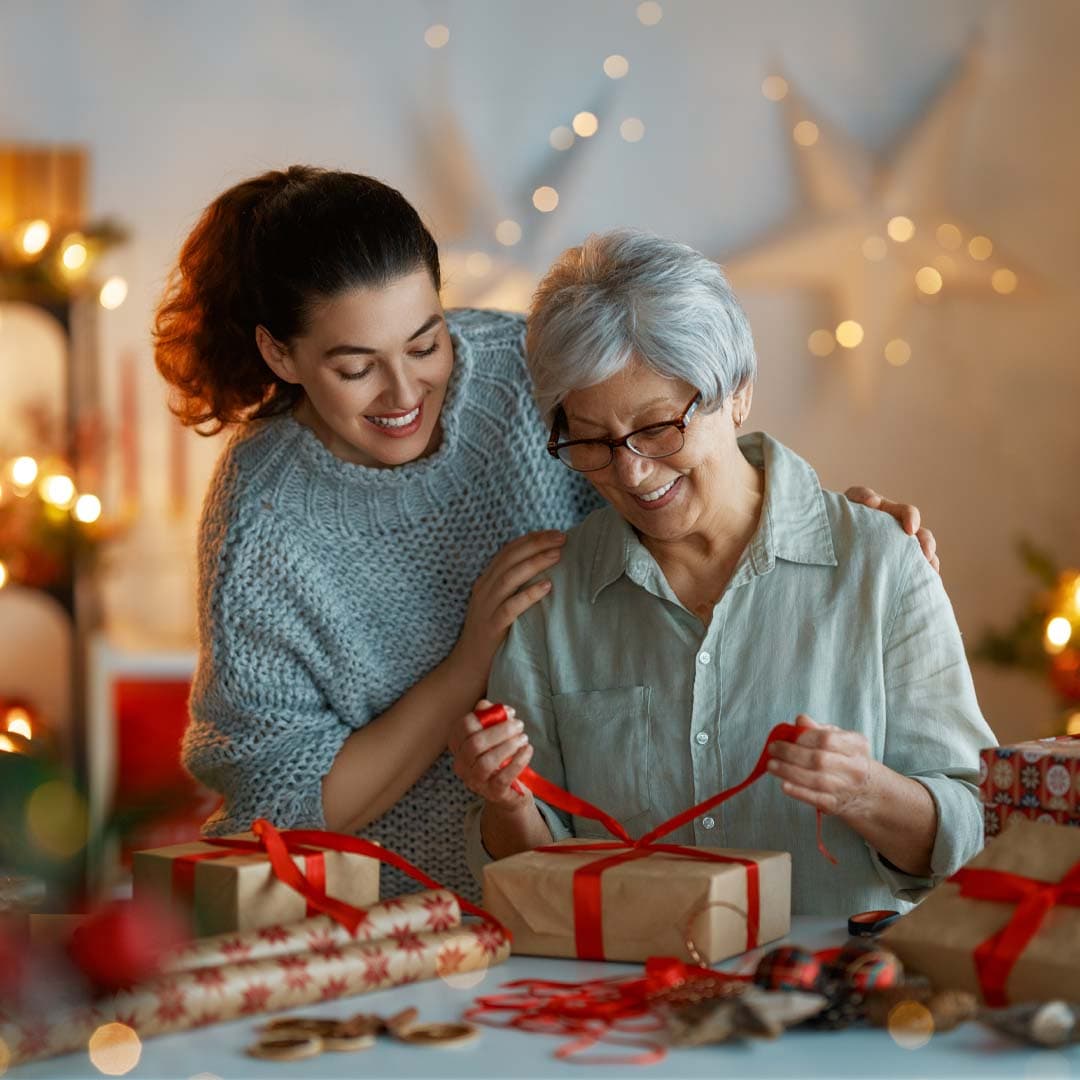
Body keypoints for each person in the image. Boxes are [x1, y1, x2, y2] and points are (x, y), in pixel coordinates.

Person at [154, 167, 938, 900]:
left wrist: (829, 523)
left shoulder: (521, 374)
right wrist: (468, 667)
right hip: (392, 918)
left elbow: (669, 469)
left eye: (426, 342)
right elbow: (280, 810)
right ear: (279, 353)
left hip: (587, 905)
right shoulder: (263, 523)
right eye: (356, 367)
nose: (404, 390)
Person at [452, 229, 994, 914]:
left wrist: (867, 792)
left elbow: (981, 831)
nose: (631, 472)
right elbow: (539, 880)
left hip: (841, 1001)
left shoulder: (879, 563)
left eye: (657, 428)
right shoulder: (550, 601)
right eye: (591, 439)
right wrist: (505, 801)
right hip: (627, 1003)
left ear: (736, 393)